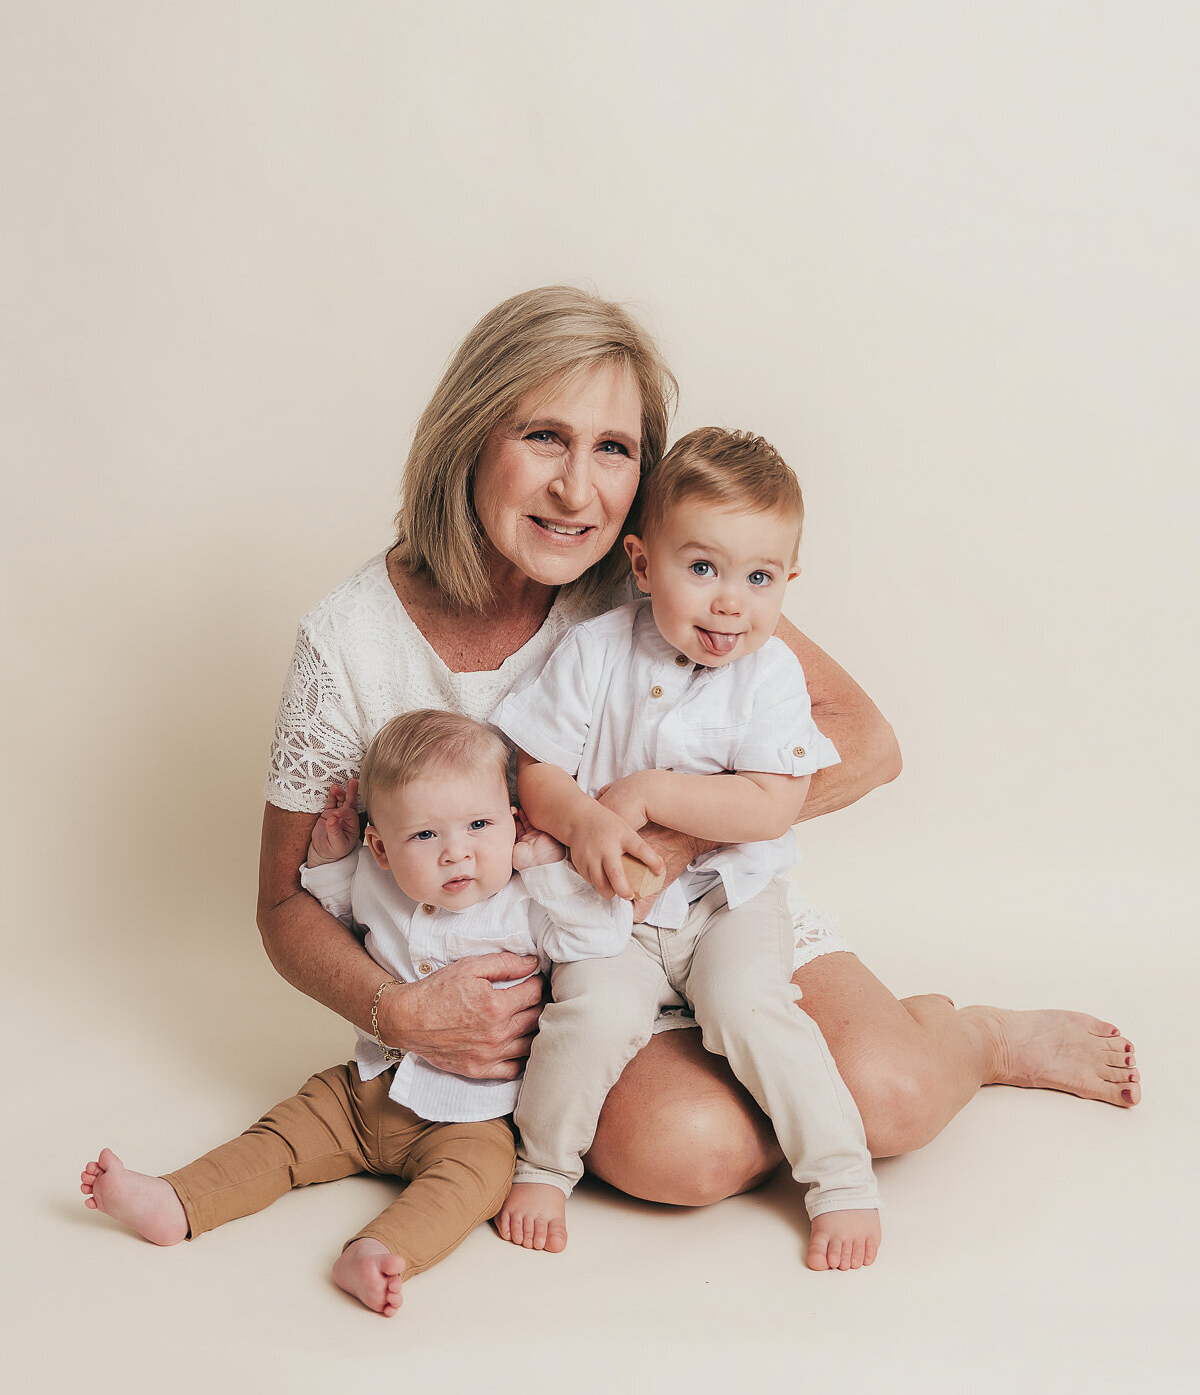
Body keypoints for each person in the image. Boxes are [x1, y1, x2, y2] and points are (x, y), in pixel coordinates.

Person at [255, 285, 1140, 1226]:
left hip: (700, 912)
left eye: (615, 449)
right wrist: (404, 1015)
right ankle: (766, 1089)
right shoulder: (349, 643)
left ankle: (974, 1037)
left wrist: (677, 836)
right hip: (538, 968)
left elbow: (867, 742)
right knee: (687, 1153)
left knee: (898, 1096)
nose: (577, 489)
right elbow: (281, 905)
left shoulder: (664, 582)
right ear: (470, 436)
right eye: (543, 438)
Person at [80, 710, 628, 1316]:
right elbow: (338, 914)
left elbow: (597, 939)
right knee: (282, 1136)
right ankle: (176, 1202)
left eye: (479, 824)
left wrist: (549, 868)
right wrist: (333, 858)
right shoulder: (375, 880)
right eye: (424, 836)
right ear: (382, 848)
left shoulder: (527, 902)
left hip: (476, 1117)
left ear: (515, 823)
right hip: (365, 1089)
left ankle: (376, 1251)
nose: (456, 853)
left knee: (475, 1184)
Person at [496, 428, 882, 1269]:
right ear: (641, 563)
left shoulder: (771, 673)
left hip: (726, 901)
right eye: (701, 568)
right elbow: (538, 771)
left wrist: (648, 794)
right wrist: (589, 822)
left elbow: (773, 804)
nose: (729, 603)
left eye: (759, 577)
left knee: (752, 1009)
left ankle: (841, 1182)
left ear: (787, 582)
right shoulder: (596, 650)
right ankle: (542, 1165)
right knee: (592, 1015)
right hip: (614, 910)